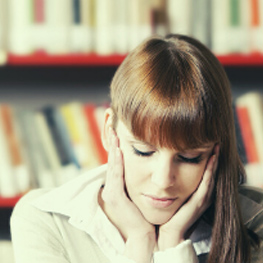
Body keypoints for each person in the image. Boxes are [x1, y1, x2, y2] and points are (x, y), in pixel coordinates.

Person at [10, 34, 263, 263]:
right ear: (110, 131)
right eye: (143, 151)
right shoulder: (44, 219)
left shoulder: (255, 220)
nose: (163, 180)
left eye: (189, 158)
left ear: (216, 152)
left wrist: (173, 245)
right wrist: (139, 242)